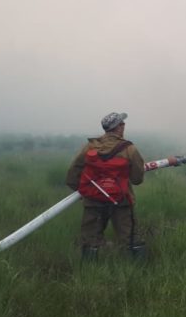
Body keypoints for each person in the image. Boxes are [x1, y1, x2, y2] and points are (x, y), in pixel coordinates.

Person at [66, 112, 172, 261]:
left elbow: (72, 174)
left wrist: (86, 192)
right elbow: (137, 179)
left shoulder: (89, 147)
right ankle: (139, 270)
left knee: (90, 239)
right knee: (130, 238)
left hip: (93, 202)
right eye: (122, 123)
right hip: (121, 201)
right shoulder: (129, 149)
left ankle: (88, 272)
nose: (124, 125)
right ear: (119, 128)